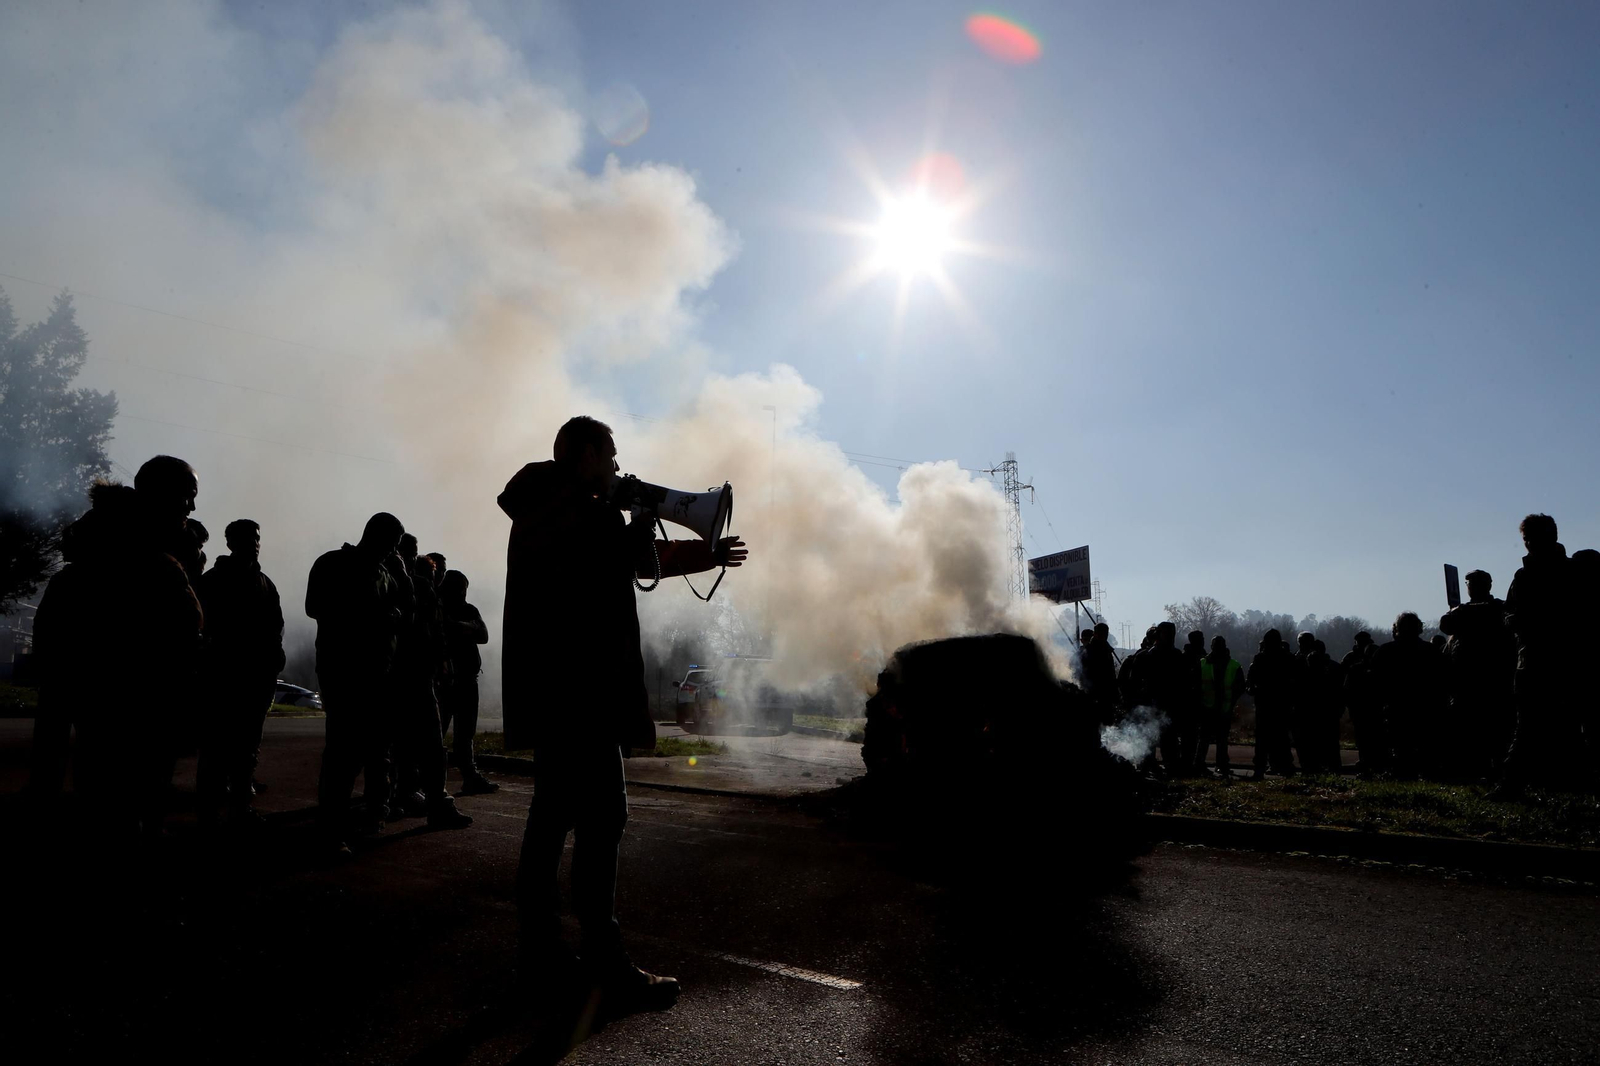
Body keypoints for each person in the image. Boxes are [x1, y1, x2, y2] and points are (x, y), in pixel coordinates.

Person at [500, 415, 747, 1009]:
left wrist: (703, 552)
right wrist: (637, 516)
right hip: (578, 692)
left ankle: (543, 950)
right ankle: (601, 960)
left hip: (571, 693)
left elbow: (631, 560)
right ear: (584, 454)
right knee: (601, 820)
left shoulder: (562, 505)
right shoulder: (558, 506)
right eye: (609, 456)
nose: (617, 466)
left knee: (555, 818)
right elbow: (609, 558)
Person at [31, 460, 205, 839]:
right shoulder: (157, 565)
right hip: (132, 704)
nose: (190, 507)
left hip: (112, 704)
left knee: (103, 790)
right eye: (186, 496)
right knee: (123, 796)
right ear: (161, 496)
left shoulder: (85, 564)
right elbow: (186, 631)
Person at [309, 513, 469, 858]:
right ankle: (330, 830)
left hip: (381, 673)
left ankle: (368, 814)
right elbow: (315, 607)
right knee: (343, 753)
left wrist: (400, 581)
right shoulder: (333, 562)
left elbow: (409, 612)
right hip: (344, 671)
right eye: (394, 543)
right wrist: (374, 615)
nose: (396, 551)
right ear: (378, 536)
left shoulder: (387, 571)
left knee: (378, 749)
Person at [196, 519, 285, 826]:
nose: (255, 543)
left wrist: (275, 654)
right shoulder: (214, 580)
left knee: (247, 744)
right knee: (217, 744)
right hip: (225, 673)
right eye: (248, 538)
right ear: (231, 542)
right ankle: (210, 809)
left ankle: (238, 806)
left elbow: (276, 625)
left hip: (256, 674)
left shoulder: (264, 582)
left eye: (257, 538)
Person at [1500, 514, 1584, 791]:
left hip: (1535, 660)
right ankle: (1564, 783)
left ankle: (1513, 785)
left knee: (1528, 727)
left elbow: (1512, 615)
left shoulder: (1525, 576)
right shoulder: (1574, 572)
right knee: (1566, 726)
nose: (1527, 544)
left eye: (1528, 538)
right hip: (1565, 660)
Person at [1438, 570, 1514, 780]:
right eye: (1470, 583)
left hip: (1491, 676)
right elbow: (1445, 625)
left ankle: (1495, 770)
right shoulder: (1468, 610)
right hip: (1466, 678)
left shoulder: (1497, 608)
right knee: (1469, 728)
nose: (1472, 587)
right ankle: (1473, 769)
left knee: (1494, 728)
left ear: (1488, 585)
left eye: (1476, 583)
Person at [438, 569, 495, 794]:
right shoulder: (437, 608)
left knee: (465, 733)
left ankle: (470, 776)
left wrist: (462, 626)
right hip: (445, 681)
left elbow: (483, 634)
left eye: (463, 589)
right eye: (458, 588)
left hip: (467, 680)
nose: (462, 593)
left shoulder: (467, 610)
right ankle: (425, 783)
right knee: (436, 733)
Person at [1372, 612, 1443, 778]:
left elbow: (1377, 682)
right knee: (1426, 746)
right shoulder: (1431, 651)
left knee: (1401, 745)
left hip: (1397, 706)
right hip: (1426, 706)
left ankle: (1403, 773)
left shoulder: (1386, 651)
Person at [1141, 622, 1193, 776]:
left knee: (1169, 739)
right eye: (1167, 633)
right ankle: (1150, 765)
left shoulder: (1176, 655)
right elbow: (1147, 681)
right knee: (1152, 737)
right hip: (1156, 703)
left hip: (1172, 703)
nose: (1170, 636)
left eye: (1171, 633)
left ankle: (1170, 766)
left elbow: (1184, 681)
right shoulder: (1152, 655)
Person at [1246, 629, 1297, 778]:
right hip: (1281, 703)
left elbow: (1252, 681)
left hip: (1265, 704)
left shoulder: (1261, 658)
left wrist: (1255, 689)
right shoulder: (1288, 658)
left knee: (1263, 739)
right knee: (1281, 737)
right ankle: (1286, 767)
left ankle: (1261, 768)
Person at [1197, 636, 1245, 778]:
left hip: (1211, 707)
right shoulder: (1234, 665)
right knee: (1219, 739)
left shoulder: (1203, 664)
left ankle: (1201, 764)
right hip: (1220, 707)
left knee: (1207, 739)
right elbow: (1240, 687)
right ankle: (1220, 765)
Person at [1082, 622, 1120, 724]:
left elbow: (1111, 674)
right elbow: (1082, 674)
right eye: (1101, 633)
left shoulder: (1106, 650)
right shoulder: (1088, 651)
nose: (1104, 636)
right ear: (1095, 634)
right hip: (1092, 695)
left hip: (1106, 696)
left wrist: (1115, 693)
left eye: (1105, 634)